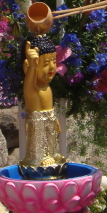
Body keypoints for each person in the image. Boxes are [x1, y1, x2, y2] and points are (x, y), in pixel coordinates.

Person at [19, 35, 66, 176]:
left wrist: (55, 121)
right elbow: (28, 85)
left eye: (53, 62)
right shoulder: (33, 89)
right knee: (37, 138)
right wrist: (33, 66)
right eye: (45, 63)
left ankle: (51, 153)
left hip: (49, 121)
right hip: (37, 124)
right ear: (27, 66)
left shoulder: (47, 87)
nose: (51, 67)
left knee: (52, 139)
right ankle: (39, 157)